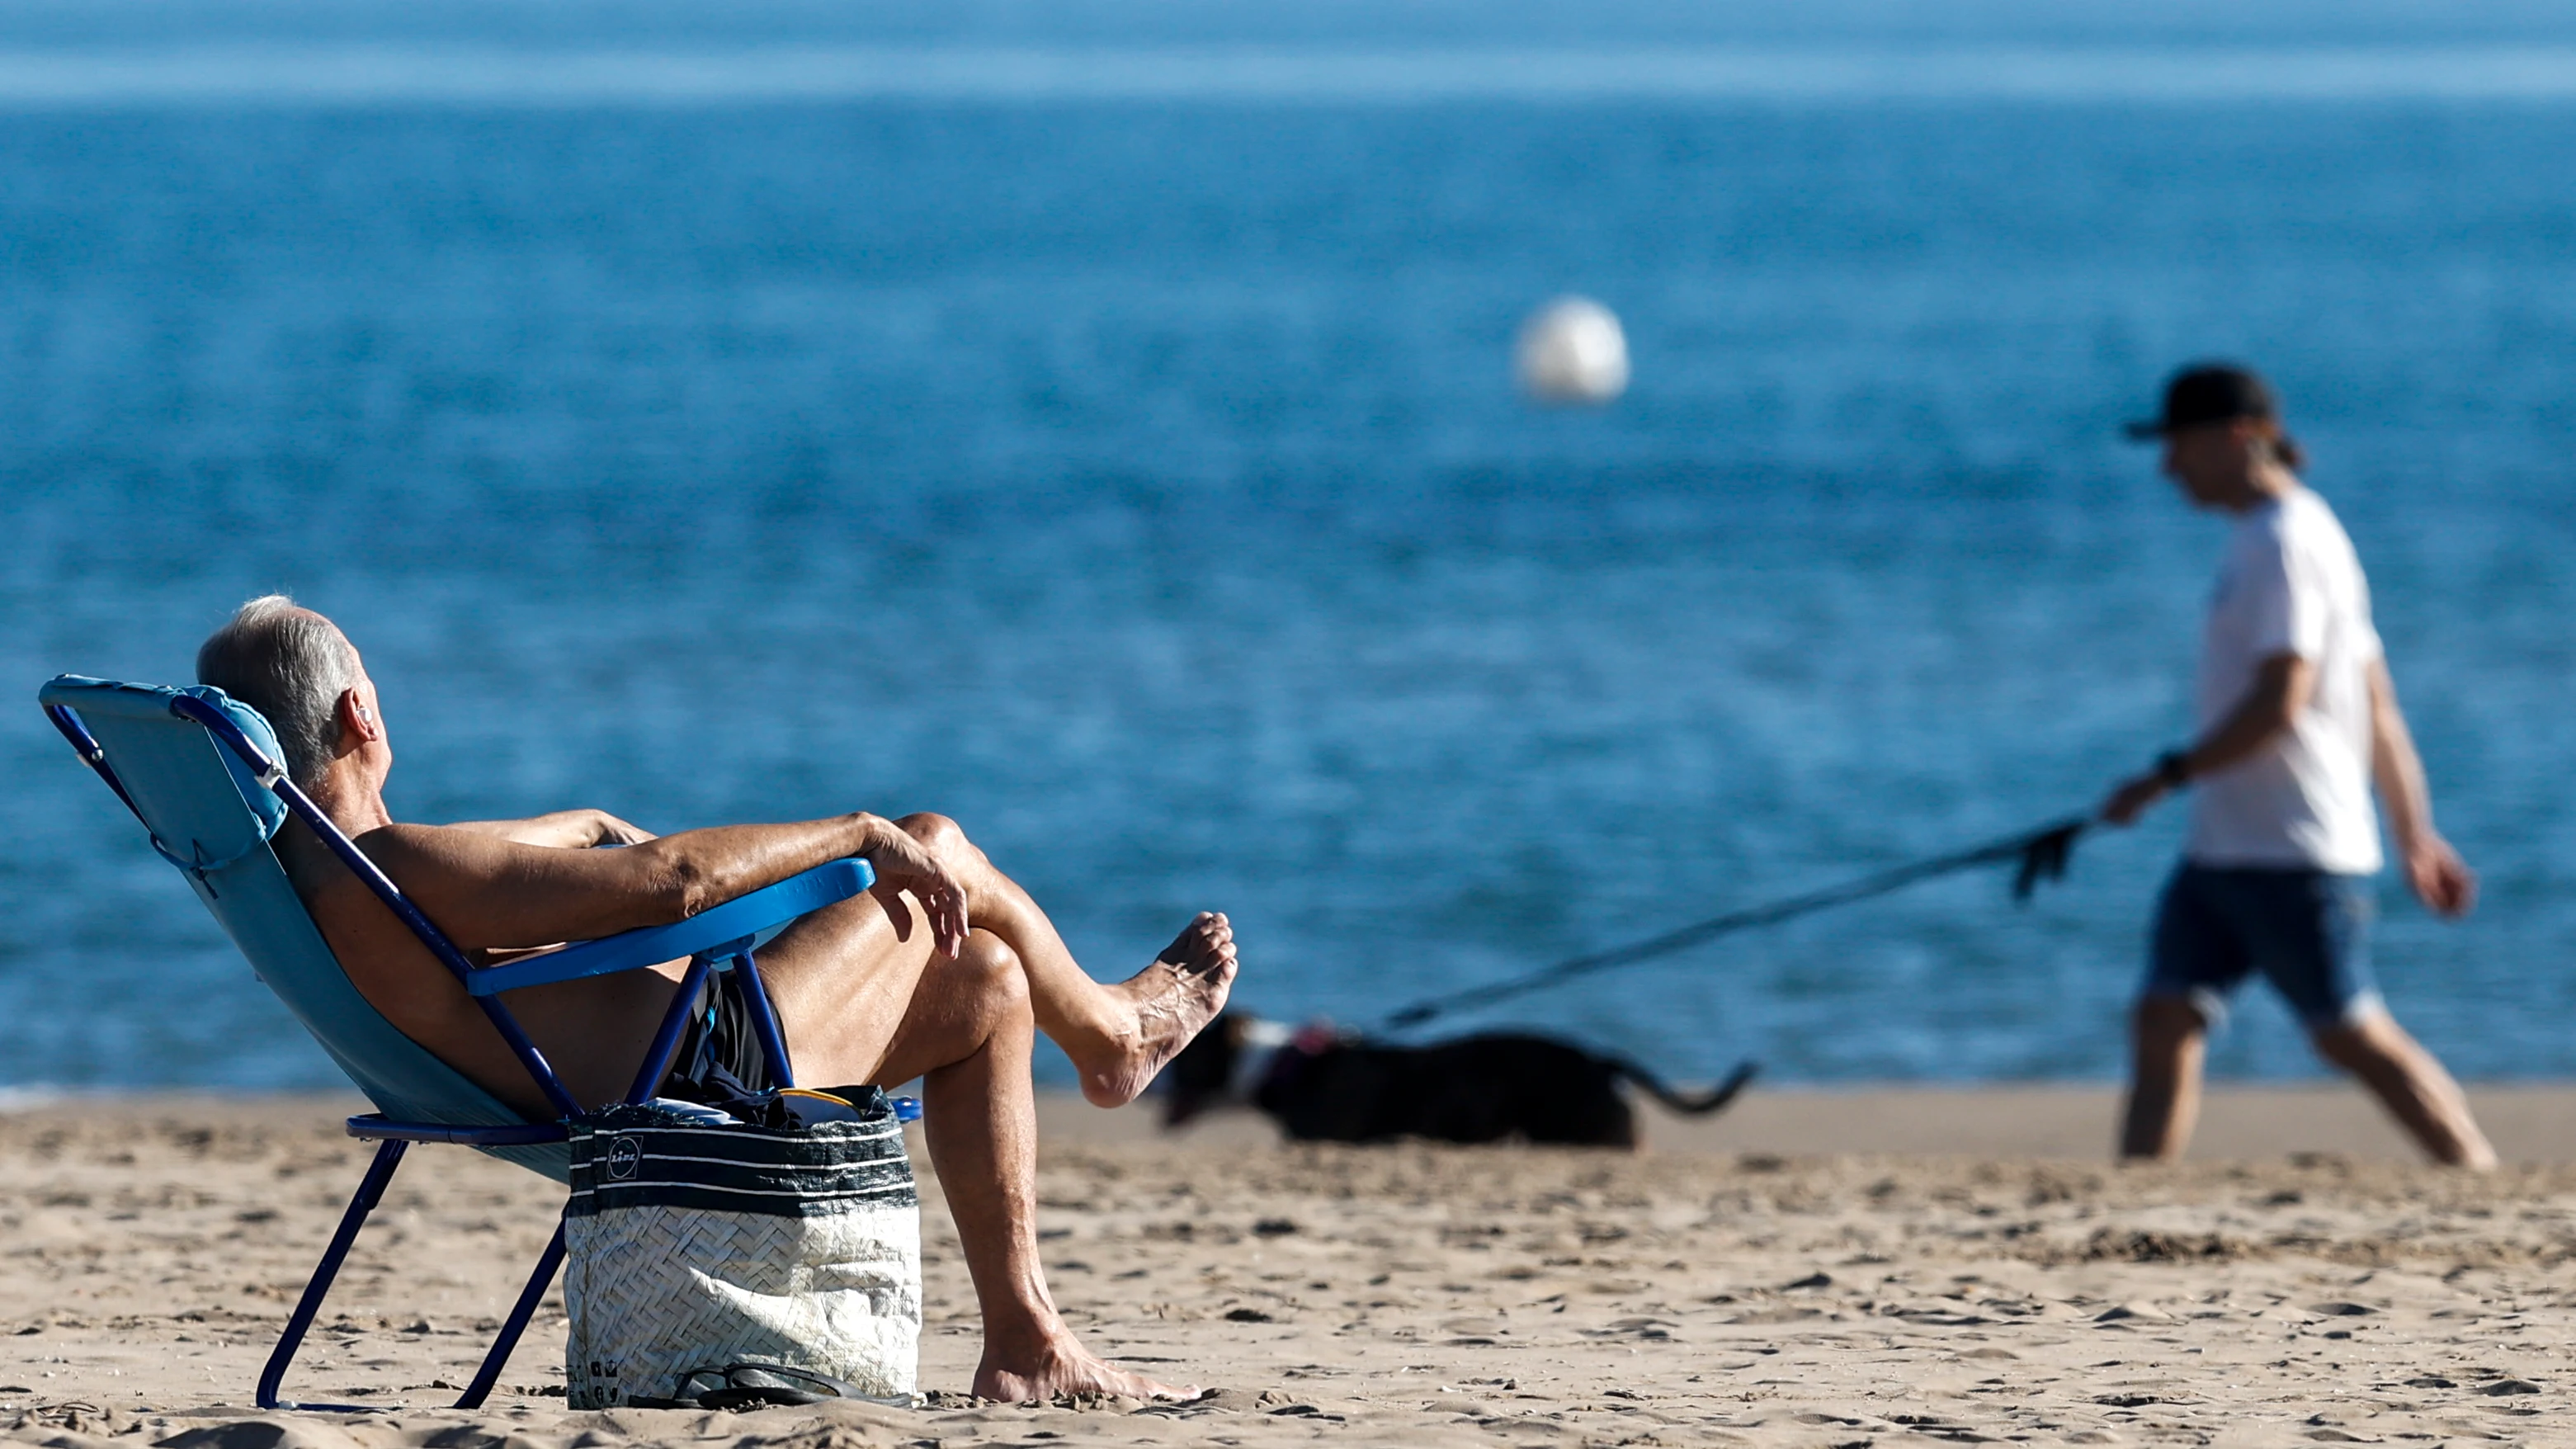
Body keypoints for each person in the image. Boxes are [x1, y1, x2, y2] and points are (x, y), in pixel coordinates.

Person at [195, 595, 1240, 1399]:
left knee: (984, 979)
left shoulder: (315, 876)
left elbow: (572, 855)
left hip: (599, 1069)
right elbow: (672, 885)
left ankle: (1026, 1344)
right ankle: (1110, 1035)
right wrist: (853, 833)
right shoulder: (396, 867)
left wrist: (589, 826)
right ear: (356, 710)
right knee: (933, 843)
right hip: (699, 1069)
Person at [2100, 363, 2494, 1169]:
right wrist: (2415, 834)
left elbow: (2284, 700)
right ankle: (2134, 1195)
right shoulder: (2291, 535)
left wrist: (2164, 776)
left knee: (2349, 1034)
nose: (2166, 466)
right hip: (2222, 846)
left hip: (2291, 845)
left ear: (2236, 438)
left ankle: (2474, 1176)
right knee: (2163, 1015)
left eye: (2177, 446)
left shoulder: (2284, 543)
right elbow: (2375, 701)